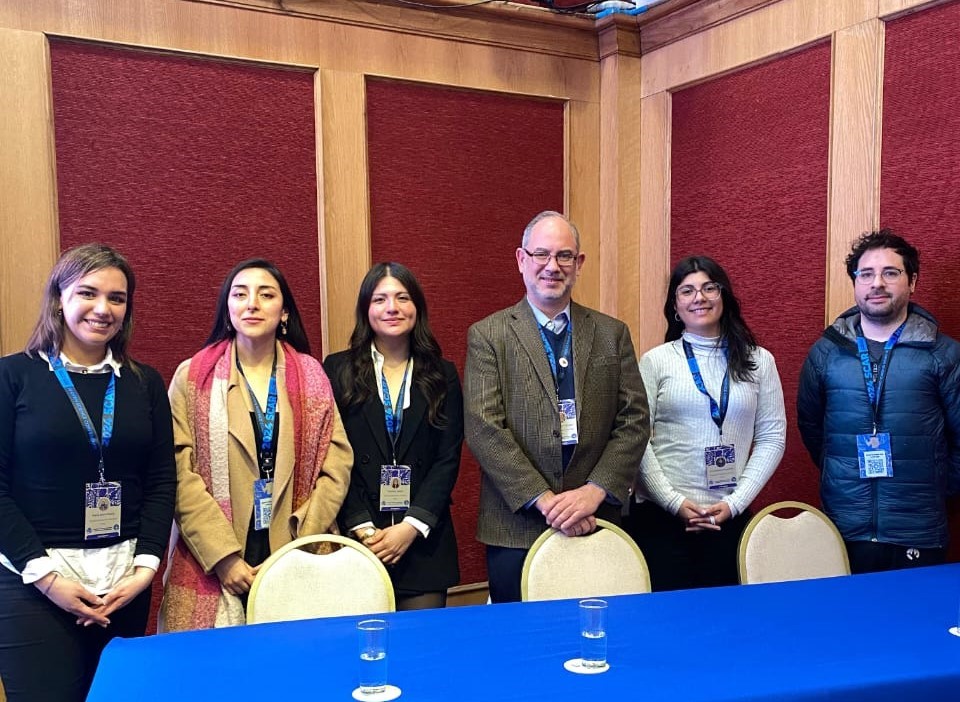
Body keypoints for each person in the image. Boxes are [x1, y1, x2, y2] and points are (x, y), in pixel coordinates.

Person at [0, 244, 176, 701]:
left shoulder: (145, 383)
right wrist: (50, 580)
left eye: (117, 299)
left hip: (123, 583)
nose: (103, 309)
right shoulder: (11, 377)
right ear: (59, 298)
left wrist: (145, 570)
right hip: (33, 582)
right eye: (88, 293)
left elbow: (161, 481)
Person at [465, 210, 650, 603]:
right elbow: (484, 427)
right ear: (521, 260)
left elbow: (634, 420)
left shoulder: (611, 333)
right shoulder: (488, 335)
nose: (552, 266)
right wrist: (546, 501)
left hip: (596, 519)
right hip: (516, 525)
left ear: (579, 264)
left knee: (598, 634)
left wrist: (594, 491)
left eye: (564, 256)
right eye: (541, 255)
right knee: (523, 647)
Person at [160, 259, 352, 630]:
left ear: (284, 313)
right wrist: (224, 558)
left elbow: (337, 462)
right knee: (217, 680)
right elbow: (177, 471)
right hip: (214, 559)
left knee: (294, 674)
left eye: (266, 295)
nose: (252, 303)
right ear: (227, 309)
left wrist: (302, 544)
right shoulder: (192, 376)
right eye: (240, 294)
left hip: (296, 547)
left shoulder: (311, 374)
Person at [798, 230, 960, 574]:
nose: (877, 283)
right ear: (855, 283)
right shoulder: (826, 353)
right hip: (843, 526)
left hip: (917, 528)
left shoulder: (943, 353)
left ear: (912, 281)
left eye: (891, 272)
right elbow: (812, 429)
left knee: (914, 624)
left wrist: (938, 485)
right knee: (847, 624)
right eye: (866, 274)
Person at [626, 256, 786, 590]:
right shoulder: (656, 361)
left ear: (724, 295)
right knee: (667, 625)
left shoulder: (759, 361)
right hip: (663, 519)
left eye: (709, 288)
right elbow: (635, 437)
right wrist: (674, 503)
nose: (699, 298)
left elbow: (772, 437)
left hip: (730, 517)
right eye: (687, 291)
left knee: (726, 625)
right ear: (675, 305)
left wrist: (734, 504)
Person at [324, 263, 463, 610]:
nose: (392, 308)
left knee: (420, 653)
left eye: (402, 297)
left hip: (423, 540)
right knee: (364, 650)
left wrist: (410, 527)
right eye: (380, 299)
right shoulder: (336, 370)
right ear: (365, 309)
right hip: (358, 538)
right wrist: (363, 527)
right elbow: (331, 454)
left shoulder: (442, 373)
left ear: (417, 307)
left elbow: (448, 458)